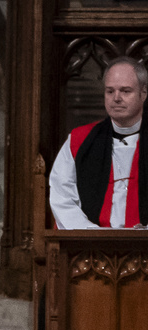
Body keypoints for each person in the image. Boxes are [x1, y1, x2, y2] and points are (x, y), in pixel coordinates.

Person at [49, 56, 148, 229]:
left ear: (143, 93)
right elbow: (62, 196)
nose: (116, 98)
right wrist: (91, 233)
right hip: (90, 247)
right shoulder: (79, 140)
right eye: (110, 91)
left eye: (125, 91)